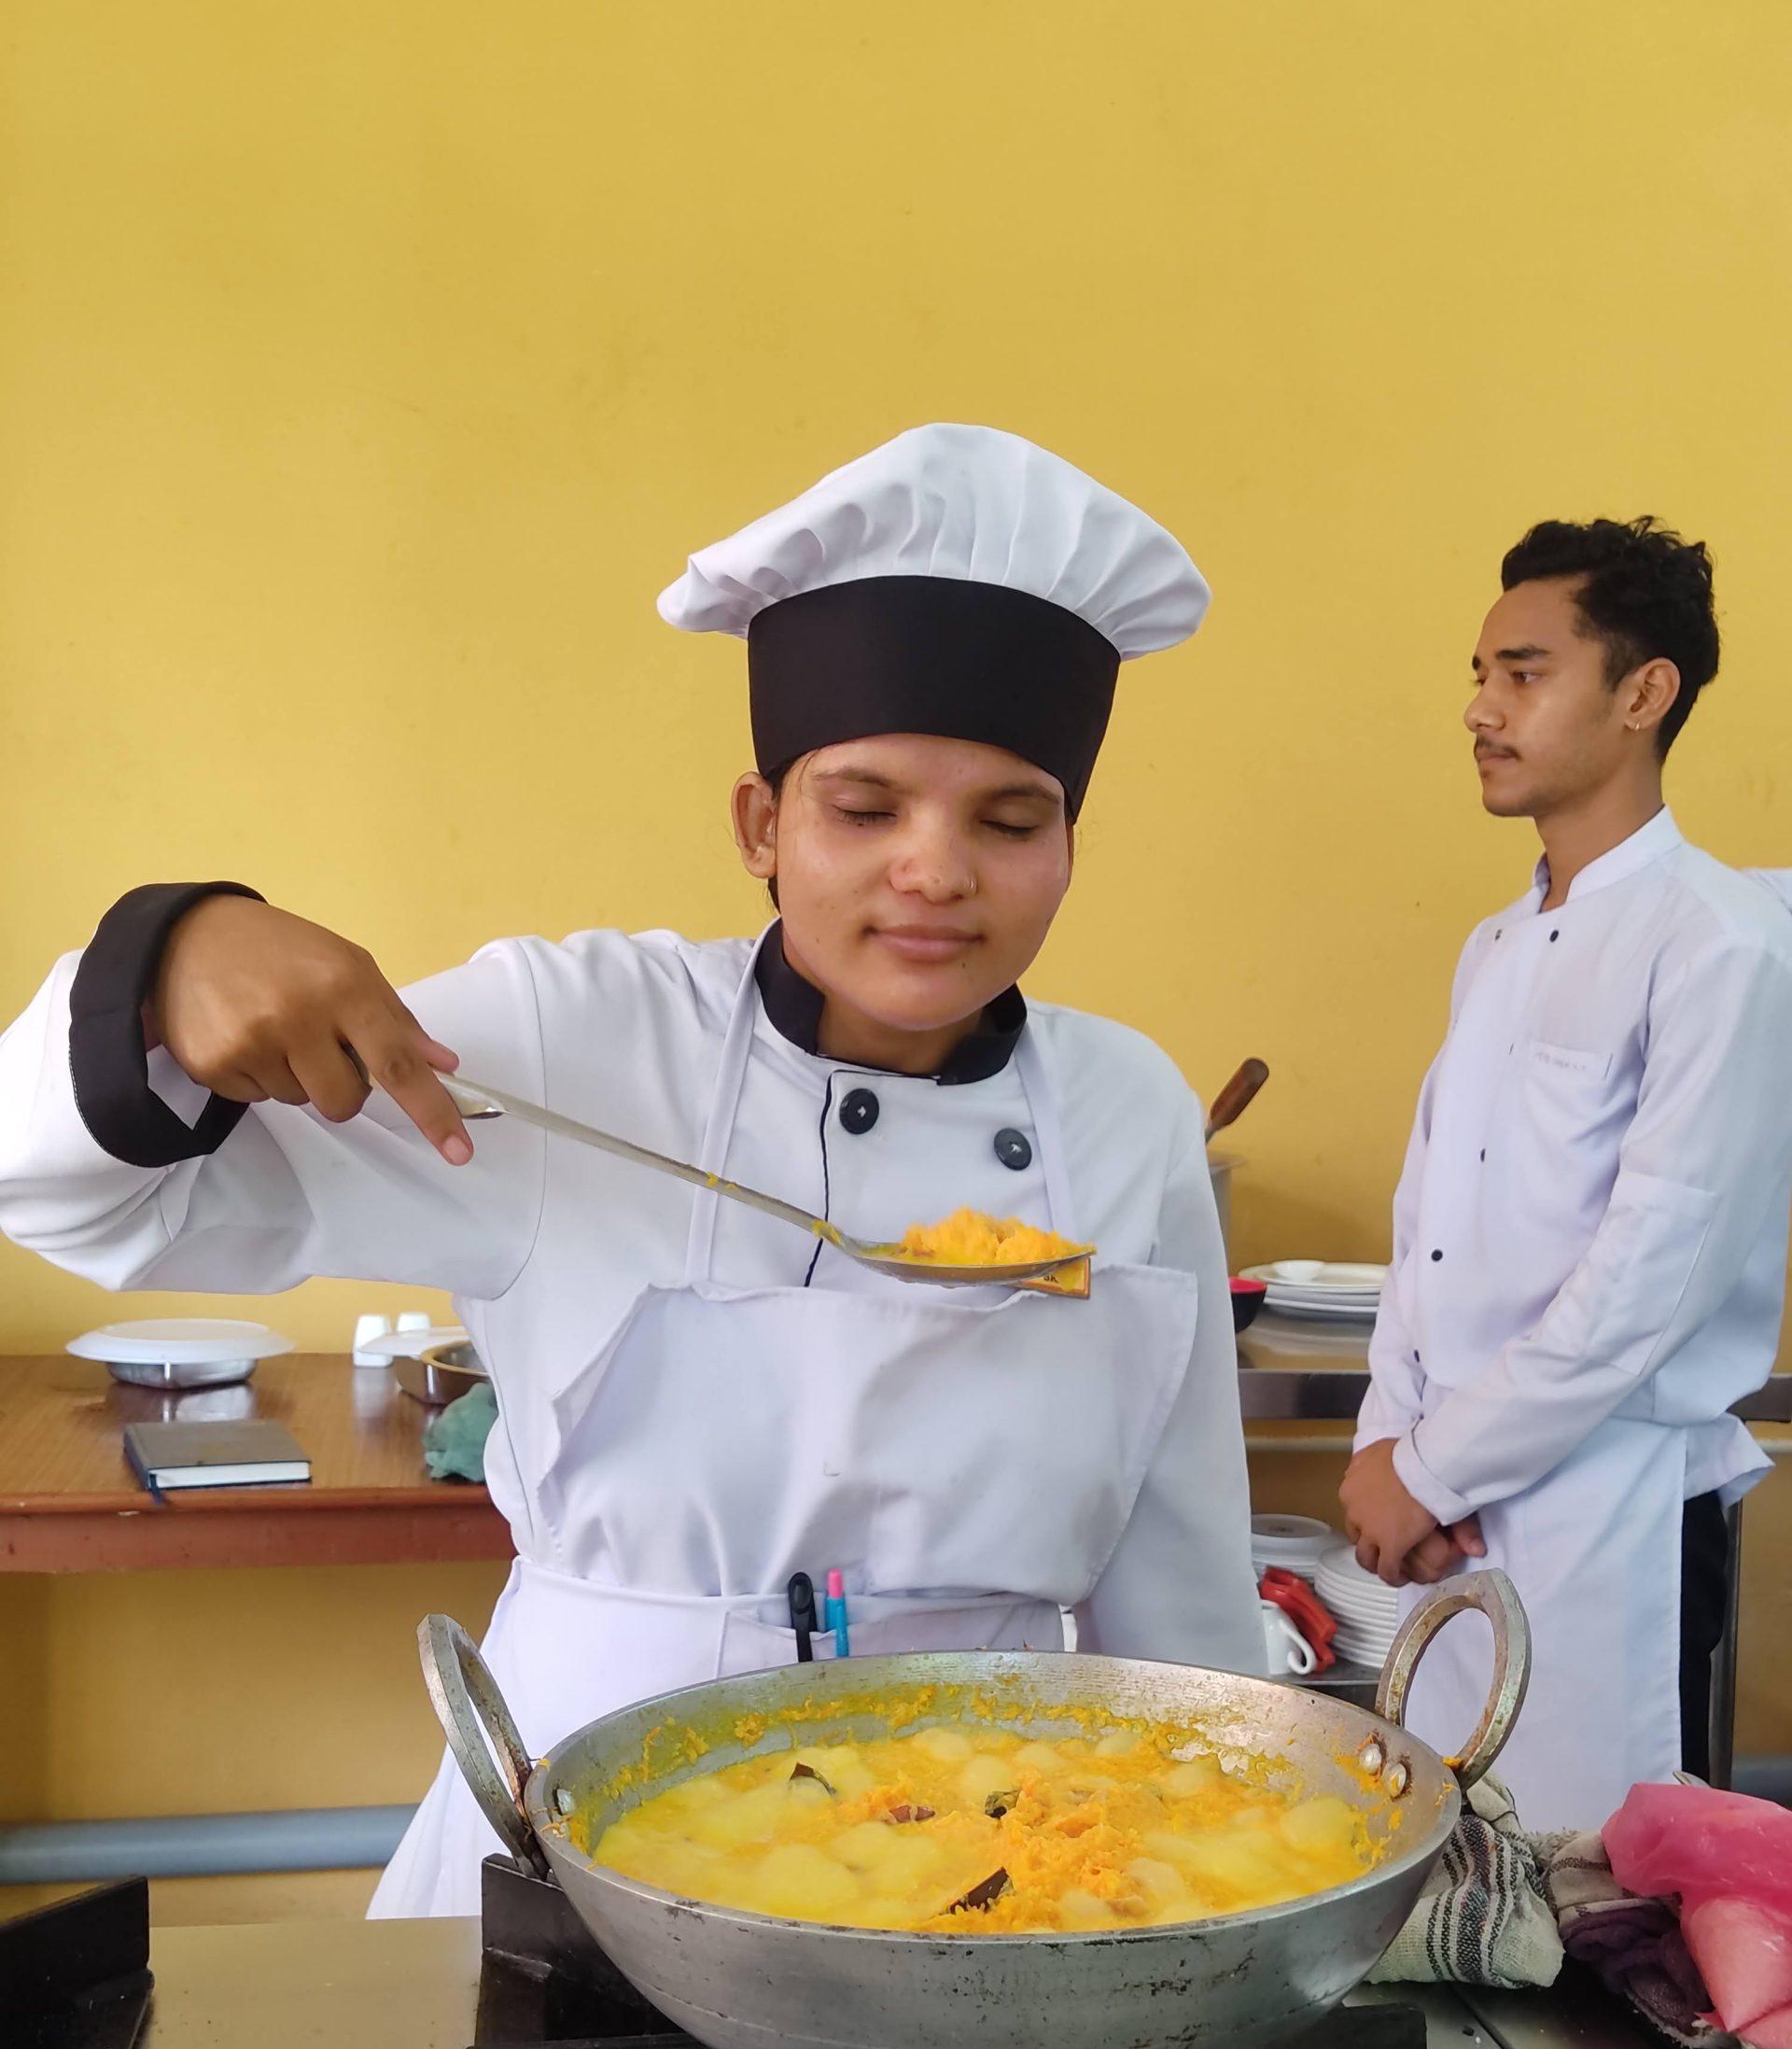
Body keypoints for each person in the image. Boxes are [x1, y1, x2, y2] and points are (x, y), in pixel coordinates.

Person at [0, 423, 1266, 1916]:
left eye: (1011, 820)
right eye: (865, 807)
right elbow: (74, 1194)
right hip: (585, 1826)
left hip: (992, 1859)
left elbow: (1179, 1572)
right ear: (760, 824)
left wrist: (1220, 1867)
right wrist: (170, 957)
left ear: (1068, 845)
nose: (936, 872)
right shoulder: (569, 1040)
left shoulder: (1123, 1103)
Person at [1342, 517, 1792, 1831]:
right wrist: (1388, 1446)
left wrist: (1430, 1473)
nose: (1481, 710)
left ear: (1644, 694)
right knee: (1453, 1876)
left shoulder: (1720, 944)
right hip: (1453, 1510)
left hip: (1612, 1519)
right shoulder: (1498, 941)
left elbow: (1651, 1273)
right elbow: (1425, 1225)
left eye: (1524, 674)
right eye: (1480, 674)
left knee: (1607, 1918)